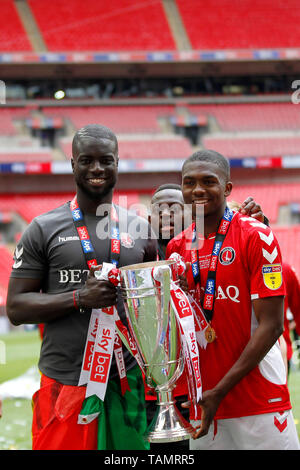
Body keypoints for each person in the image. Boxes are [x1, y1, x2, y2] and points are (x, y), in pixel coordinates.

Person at [6, 124, 157, 451]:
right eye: (86, 160)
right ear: (73, 164)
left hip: (126, 384)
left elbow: (152, 306)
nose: (97, 169)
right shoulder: (43, 228)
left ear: (118, 162)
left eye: (106, 160)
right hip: (66, 383)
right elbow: (16, 308)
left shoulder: (140, 229)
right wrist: (78, 298)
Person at [166, 149, 300, 450]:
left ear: (227, 188)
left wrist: (220, 391)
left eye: (208, 181)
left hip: (258, 399)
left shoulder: (257, 236)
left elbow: (273, 325)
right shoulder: (177, 247)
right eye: (189, 182)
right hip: (204, 401)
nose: (198, 189)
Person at [147, 183, 271, 450]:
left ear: (192, 213)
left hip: (208, 385)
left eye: (175, 208)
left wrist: (262, 226)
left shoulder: (212, 246)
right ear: (149, 218)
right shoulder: (139, 254)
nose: (167, 214)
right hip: (156, 389)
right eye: (160, 209)